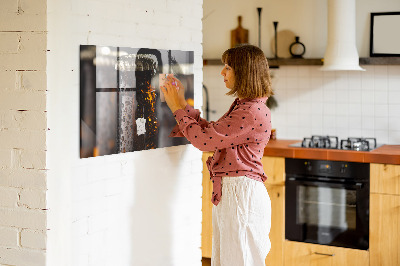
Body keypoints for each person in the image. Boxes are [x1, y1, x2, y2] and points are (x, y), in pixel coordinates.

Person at [161, 44, 273, 266]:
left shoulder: (250, 111)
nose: (222, 72)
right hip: (236, 193)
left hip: (241, 196)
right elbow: (212, 133)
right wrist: (182, 103)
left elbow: (204, 141)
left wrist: (176, 107)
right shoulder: (246, 106)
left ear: (244, 72)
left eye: (228, 67)